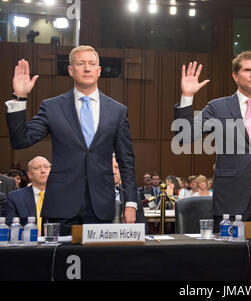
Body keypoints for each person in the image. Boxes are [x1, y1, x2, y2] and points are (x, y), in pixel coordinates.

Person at [5, 45, 138, 236]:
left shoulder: (117, 111)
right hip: (61, 205)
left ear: (99, 70)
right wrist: (20, 97)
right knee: (60, 263)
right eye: (81, 63)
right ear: (70, 70)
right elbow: (20, 140)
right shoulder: (52, 107)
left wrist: (131, 203)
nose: (87, 68)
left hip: (101, 205)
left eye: (92, 64)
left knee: (97, 264)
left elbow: (126, 161)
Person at [174, 51, 251, 232]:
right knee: (228, 255)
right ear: (235, 75)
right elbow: (183, 136)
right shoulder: (218, 107)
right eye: (247, 70)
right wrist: (187, 97)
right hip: (229, 199)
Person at [4, 156, 50, 236]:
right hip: (27, 245)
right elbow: (9, 227)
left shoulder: (63, 196)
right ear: (29, 175)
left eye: (46, 167)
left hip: (57, 245)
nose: (43, 171)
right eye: (37, 168)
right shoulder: (15, 198)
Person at [112, 155, 146, 231]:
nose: (114, 172)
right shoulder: (93, 194)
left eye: (116, 168)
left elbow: (142, 227)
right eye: (110, 167)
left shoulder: (134, 196)